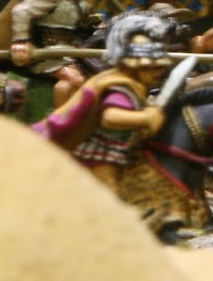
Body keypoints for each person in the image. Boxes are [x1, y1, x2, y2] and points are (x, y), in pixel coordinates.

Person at [33, 12, 175, 190]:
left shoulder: (120, 80)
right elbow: (111, 117)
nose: (158, 73)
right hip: (92, 150)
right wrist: (146, 118)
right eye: (152, 67)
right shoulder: (119, 86)